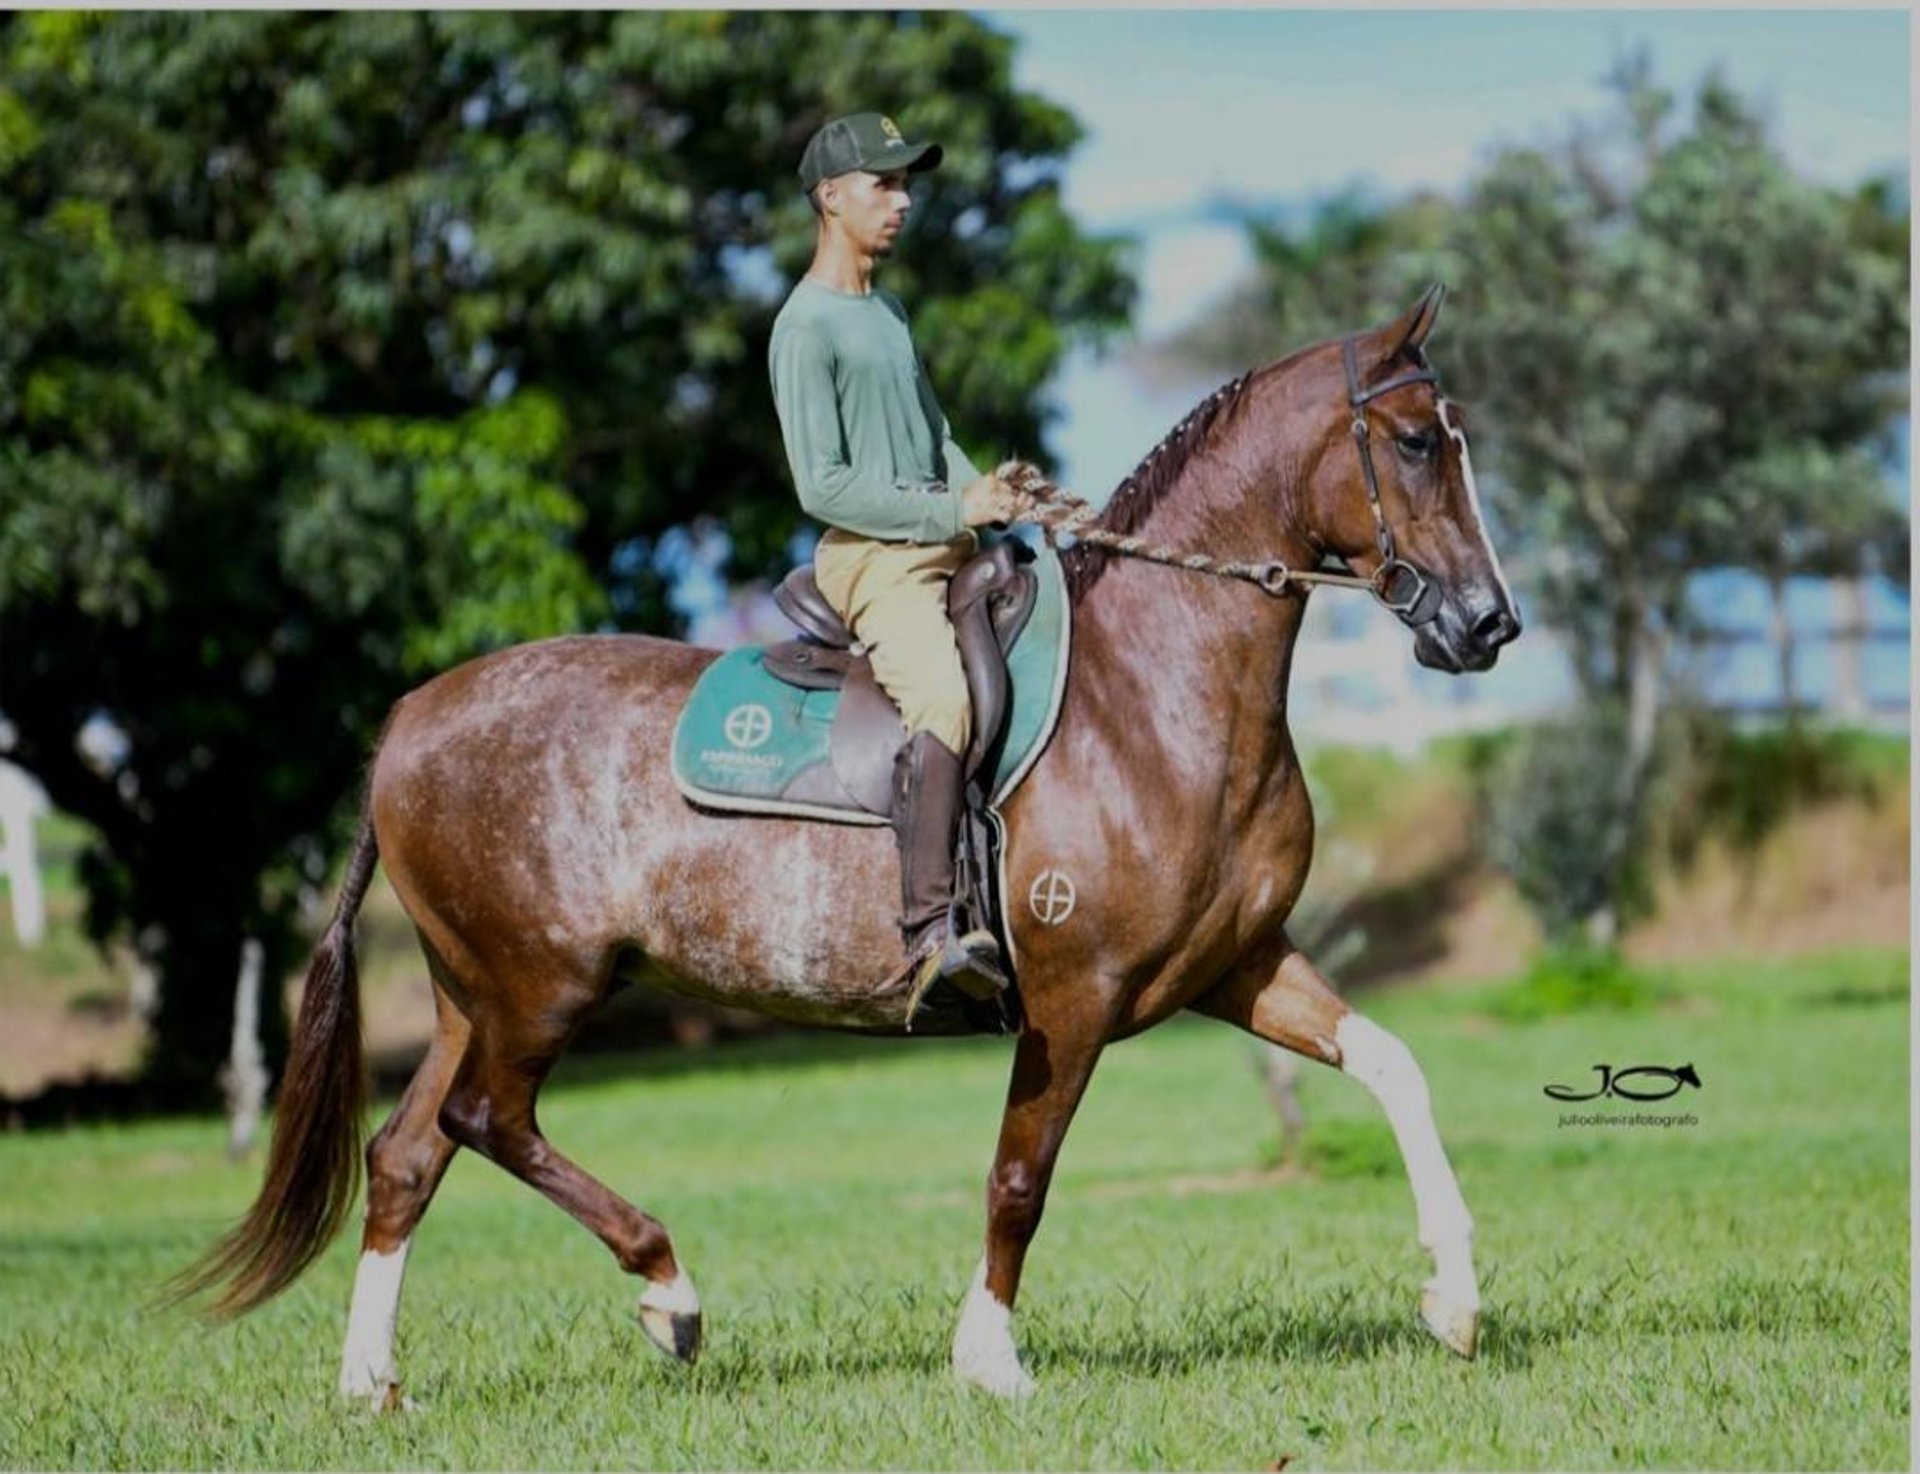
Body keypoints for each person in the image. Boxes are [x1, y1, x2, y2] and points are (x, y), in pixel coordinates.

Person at [768, 112, 1027, 1005]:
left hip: (938, 536)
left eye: (907, 184)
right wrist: (954, 506)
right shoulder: (805, 328)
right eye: (884, 184)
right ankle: (932, 936)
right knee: (945, 699)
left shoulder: (889, 309)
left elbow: (934, 434)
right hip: (874, 559)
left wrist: (984, 489)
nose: (903, 201)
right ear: (830, 198)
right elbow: (823, 487)